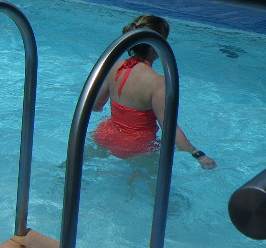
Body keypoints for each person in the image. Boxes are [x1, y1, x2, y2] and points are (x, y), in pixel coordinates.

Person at [92, 15, 216, 168]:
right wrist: (197, 153)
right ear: (156, 45)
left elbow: (96, 106)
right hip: (138, 148)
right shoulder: (158, 83)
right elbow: (170, 129)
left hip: (106, 136)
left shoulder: (115, 66)